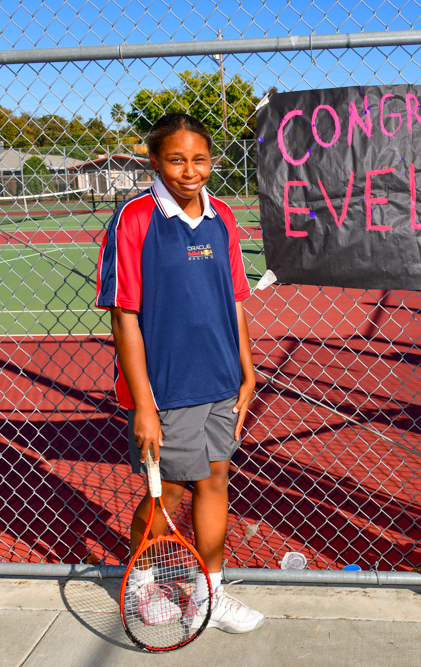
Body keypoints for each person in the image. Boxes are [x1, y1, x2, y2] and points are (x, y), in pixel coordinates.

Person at [94, 113, 264, 632]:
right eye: (176, 160)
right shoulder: (134, 218)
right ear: (154, 160)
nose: (190, 171)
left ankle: (209, 595)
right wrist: (144, 405)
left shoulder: (223, 216)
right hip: (166, 389)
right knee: (166, 494)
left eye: (200, 159)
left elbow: (236, 300)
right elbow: (124, 317)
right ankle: (141, 583)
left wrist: (247, 372)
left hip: (221, 381)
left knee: (215, 481)